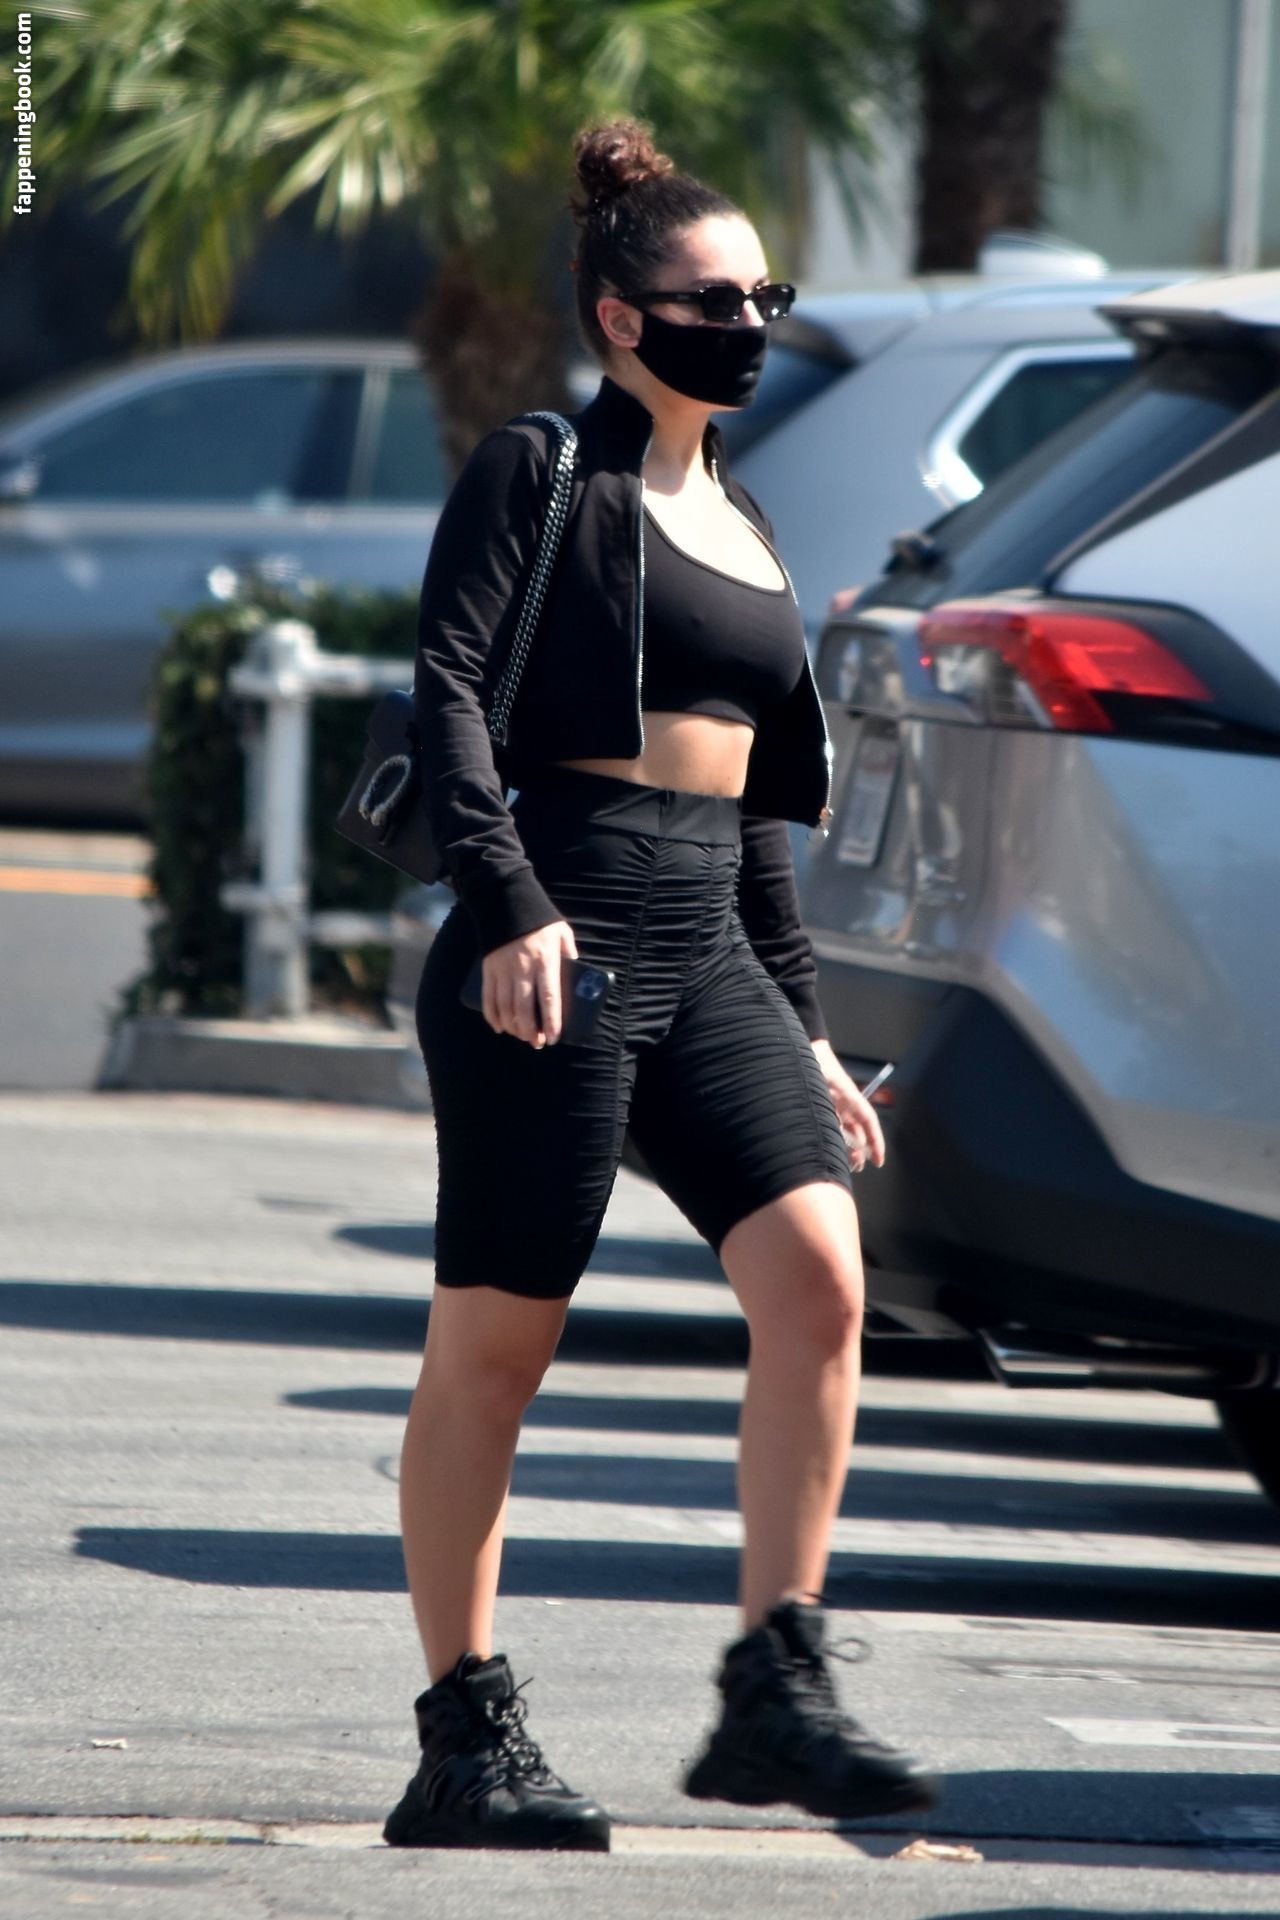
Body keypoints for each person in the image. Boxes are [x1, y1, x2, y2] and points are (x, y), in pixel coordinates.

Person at [383, 117, 940, 1854]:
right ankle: (463, 1736)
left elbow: (759, 810)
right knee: (498, 1347)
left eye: (767, 297)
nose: (749, 325)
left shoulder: (744, 514)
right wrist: (509, 903)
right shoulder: (545, 468)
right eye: (714, 300)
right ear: (623, 317)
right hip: (557, 930)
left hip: (710, 943)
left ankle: (775, 1685)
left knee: (822, 1283)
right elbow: (448, 688)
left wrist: (808, 1028)